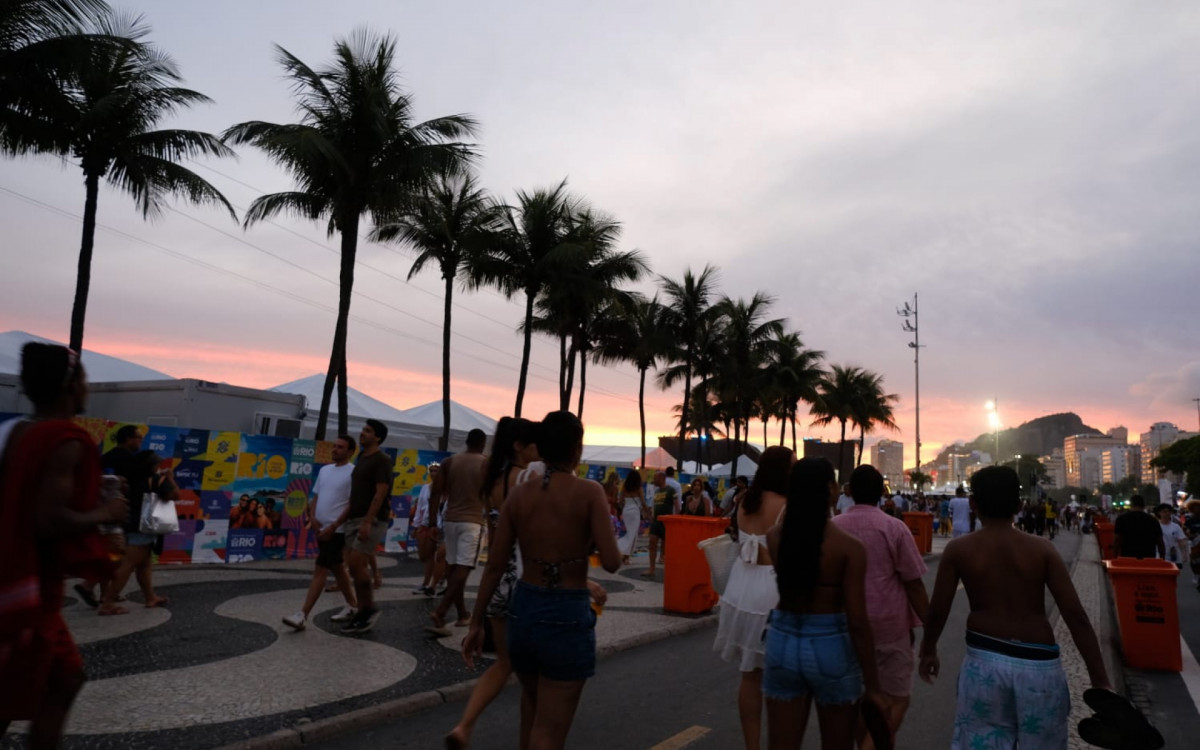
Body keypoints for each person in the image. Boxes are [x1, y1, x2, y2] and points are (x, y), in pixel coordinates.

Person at [919, 466, 1112, 749]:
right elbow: (1076, 616)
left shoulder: (959, 550)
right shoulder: (1042, 549)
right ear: (1019, 505)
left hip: (984, 665)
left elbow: (938, 611)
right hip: (1040, 668)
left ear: (973, 505)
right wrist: (1100, 681)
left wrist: (928, 650)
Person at [462, 411, 621, 750]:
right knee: (550, 732)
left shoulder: (518, 495)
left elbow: (495, 565)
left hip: (523, 610)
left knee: (534, 713)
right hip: (566, 612)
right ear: (576, 448)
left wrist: (477, 622)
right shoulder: (589, 492)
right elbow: (611, 562)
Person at [0, 343, 127, 748]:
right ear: (70, 385)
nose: (88, 388)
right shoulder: (68, 439)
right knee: (52, 680)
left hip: (14, 576)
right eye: (85, 379)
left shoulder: (19, 430)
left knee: (46, 680)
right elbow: (50, 519)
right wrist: (106, 513)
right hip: (28, 586)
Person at [763, 457, 885, 750]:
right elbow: (857, 620)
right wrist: (874, 685)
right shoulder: (849, 548)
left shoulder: (775, 538)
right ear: (831, 490)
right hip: (831, 644)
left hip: (783, 639)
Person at [446, 417, 539, 748]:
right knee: (535, 682)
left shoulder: (493, 485)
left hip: (501, 583)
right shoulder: (530, 479)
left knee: (504, 663)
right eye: (533, 442)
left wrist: (477, 617)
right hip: (530, 582)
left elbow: (496, 555)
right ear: (519, 446)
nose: (538, 448)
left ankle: (465, 725)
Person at [831, 465, 929, 749]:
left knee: (861, 699)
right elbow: (913, 583)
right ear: (882, 493)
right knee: (897, 697)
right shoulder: (894, 527)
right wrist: (931, 631)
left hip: (845, 625)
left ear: (849, 491)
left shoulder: (835, 527)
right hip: (889, 627)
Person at [713, 446, 791, 750]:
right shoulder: (787, 505)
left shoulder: (744, 500)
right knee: (778, 680)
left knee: (749, 675)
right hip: (771, 590)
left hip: (740, 585)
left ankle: (752, 746)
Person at [282, 435, 358, 630]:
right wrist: (312, 518)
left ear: (350, 452)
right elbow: (317, 496)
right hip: (320, 527)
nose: (335, 449)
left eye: (340, 447)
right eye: (334, 446)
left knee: (320, 569)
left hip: (336, 530)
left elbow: (352, 503)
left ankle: (302, 615)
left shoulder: (353, 473)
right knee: (337, 567)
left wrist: (334, 526)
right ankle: (353, 605)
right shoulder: (325, 470)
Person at [428, 428, 488, 634]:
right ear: (482, 444)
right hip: (473, 521)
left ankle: (462, 613)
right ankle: (441, 611)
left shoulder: (450, 462)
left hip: (450, 520)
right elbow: (490, 496)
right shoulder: (486, 463)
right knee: (464, 567)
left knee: (454, 568)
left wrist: (431, 523)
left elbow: (435, 493)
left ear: (466, 442)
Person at [339, 419, 393, 634]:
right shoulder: (362, 457)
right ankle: (363, 610)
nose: (363, 433)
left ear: (378, 437)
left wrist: (368, 521)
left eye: (368, 431)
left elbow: (381, 492)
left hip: (372, 518)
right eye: (363, 429)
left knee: (356, 563)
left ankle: (368, 608)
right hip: (354, 517)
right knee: (354, 566)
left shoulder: (382, 460)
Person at [411, 463, 444, 596]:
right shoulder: (425, 488)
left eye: (436, 470)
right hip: (425, 525)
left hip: (439, 526)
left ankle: (429, 583)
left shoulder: (445, 489)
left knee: (437, 556)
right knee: (424, 555)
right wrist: (416, 525)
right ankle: (433, 580)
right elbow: (420, 507)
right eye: (431, 470)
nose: (433, 473)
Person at [641, 470, 677, 578]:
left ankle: (670, 569)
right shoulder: (656, 491)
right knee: (652, 543)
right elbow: (654, 505)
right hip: (656, 521)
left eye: (655, 478)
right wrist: (650, 516)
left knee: (667, 546)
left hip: (666, 521)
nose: (654, 480)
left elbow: (677, 504)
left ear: (662, 478)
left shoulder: (671, 490)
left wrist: (676, 519)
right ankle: (651, 569)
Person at [1113, 494, 1164, 559]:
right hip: (1148, 560)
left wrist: (1114, 558)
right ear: (1143, 506)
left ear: (1131, 505)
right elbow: (1160, 542)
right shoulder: (1153, 520)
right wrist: (1162, 558)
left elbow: (1117, 541)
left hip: (1127, 560)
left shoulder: (1121, 519)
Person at [618, 469, 645, 565]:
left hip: (626, 511)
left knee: (628, 533)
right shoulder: (639, 488)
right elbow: (643, 502)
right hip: (635, 512)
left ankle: (622, 553)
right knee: (632, 535)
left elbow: (620, 501)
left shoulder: (625, 487)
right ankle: (625, 556)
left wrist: (622, 509)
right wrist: (647, 513)